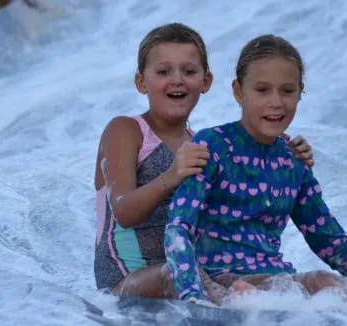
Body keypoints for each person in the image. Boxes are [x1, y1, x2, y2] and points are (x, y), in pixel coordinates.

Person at [164, 34, 347, 312]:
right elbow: (179, 227)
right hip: (222, 281)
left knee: (330, 282)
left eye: (288, 91)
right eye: (262, 90)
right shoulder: (211, 145)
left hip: (276, 279)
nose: (276, 102)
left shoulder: (292, 161)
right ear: (238, 91)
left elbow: (331, 243)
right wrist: (195, 298)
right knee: (320, 283)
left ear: (300, 93)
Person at [93, 24, 315, 301]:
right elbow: (123, 210)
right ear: (141, 82)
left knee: (256, 280)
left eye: (189, 71)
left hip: (190, 271)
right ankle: (229, 311)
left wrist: (285, 154)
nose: (177, 80)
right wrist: (171, 176)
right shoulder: (126, 130)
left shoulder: (204, 143)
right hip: (127, 279)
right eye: (163, 72)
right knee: (178, 275)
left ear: (206, 81)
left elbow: (240, 199)